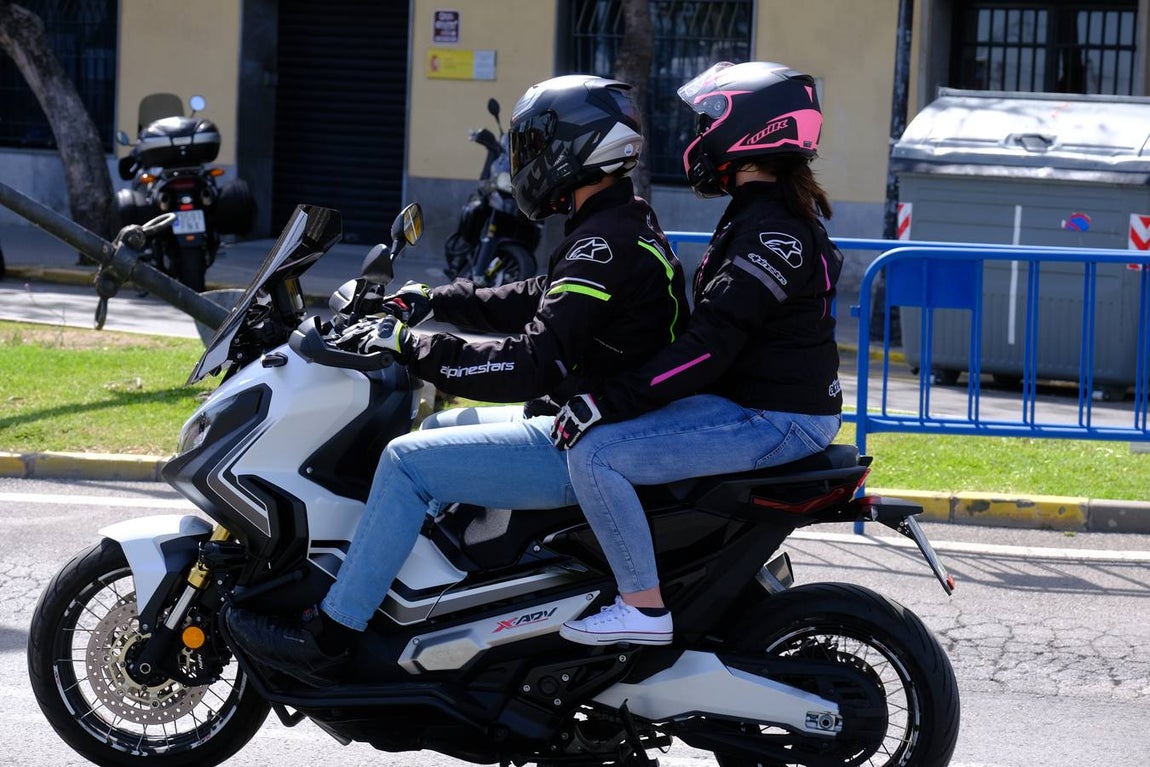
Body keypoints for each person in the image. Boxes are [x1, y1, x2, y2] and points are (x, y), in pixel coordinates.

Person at [225, 75, 689, 683]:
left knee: (405, 462)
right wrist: (427, 300)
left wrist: (415, 347)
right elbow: (535, 296)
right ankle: (441, 609)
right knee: (441, 424)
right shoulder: (615, 222)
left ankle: (333, 632)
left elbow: (530, 361)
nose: (527, 162)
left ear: (576, 150)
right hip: (596, 419)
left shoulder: (602, 241)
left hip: (585, 441)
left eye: (534, 147)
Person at [550, 61, 844, 646]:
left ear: (754, 129)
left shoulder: (770, 231)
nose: (700, 135)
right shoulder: (762, 215)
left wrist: (608, 402)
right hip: (759, 404)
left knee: (598, 454)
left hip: (776, 417)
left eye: (711, 119)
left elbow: (709, 347)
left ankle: (643, 608)